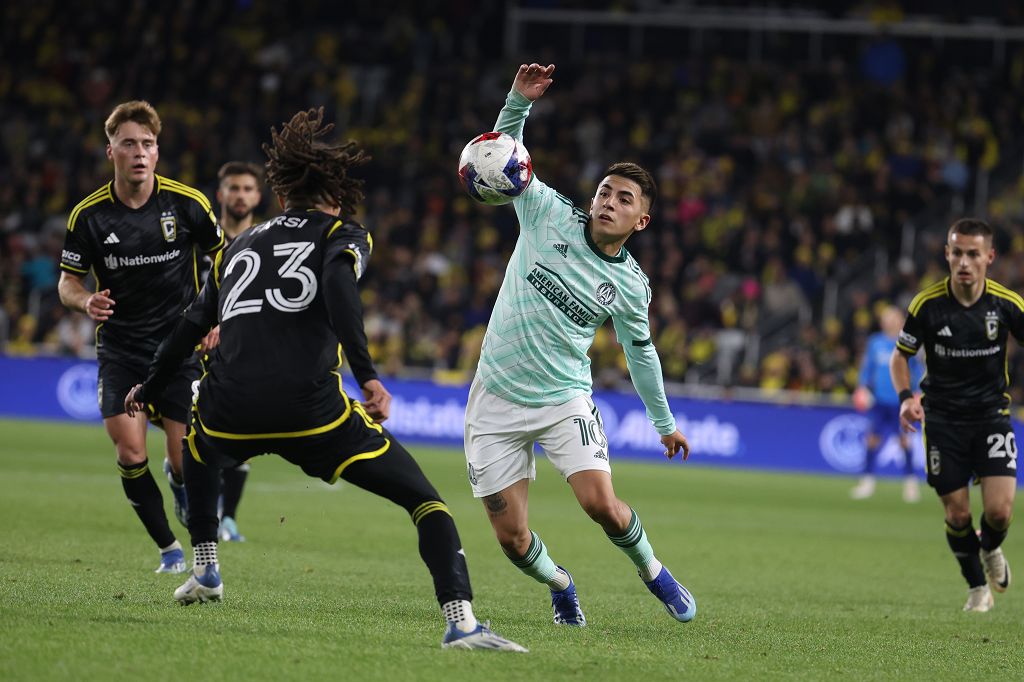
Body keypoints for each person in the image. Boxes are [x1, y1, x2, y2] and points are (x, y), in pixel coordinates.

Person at [125, 108, 526, 652]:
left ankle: (205, 568)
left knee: (197, 449)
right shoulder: (342, 233)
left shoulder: (239, 247)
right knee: (426, 503)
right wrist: (368, 377)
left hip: (229, 410)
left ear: (282, 192)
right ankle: (461, 623)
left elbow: (190, 325)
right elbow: (338, 284)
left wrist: (148, 389)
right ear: (333, 194)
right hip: (311, 412)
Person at [464, 64, 694, 627]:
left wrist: (663, 423)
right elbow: (503, 155)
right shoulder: (544, 211)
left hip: (563, 398)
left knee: (601, 505)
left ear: (641, 220)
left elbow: (641, 355)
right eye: (604, 191)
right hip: (494, 396)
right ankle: (561, 584)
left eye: (623, 198)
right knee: (513, 538)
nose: (608, 202)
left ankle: (654, 571)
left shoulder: (631, 285)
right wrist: (519, 98)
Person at [58, 101, 224, 574]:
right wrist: (83, 300)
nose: (139, 152)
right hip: (121, 349)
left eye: (147, 144)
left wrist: (217, 318)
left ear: (157, 151)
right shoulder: (88, 217)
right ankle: (170, 550)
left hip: (180, 346)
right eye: (128, 143)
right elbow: (66, 281)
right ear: (110, 151)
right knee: (130, 453)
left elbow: (228, 261)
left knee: (182, 455)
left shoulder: (188, 203)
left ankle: (180, 488)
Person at [892, 218, 1018, 612]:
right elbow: (901, 357)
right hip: (943, 420)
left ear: (989, 257)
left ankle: (991, 549)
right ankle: (977, 587)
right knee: (958, 513)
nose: (964, 261)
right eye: (957, 252)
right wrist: (905, 397)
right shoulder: (927, 305)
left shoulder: (1007, 304)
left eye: (973, 254)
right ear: (947, 254)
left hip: (991, 416)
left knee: (999, 511)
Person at [211, 161, 265, 543]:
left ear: (258, 196)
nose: (241, 195)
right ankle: (202, 508)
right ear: (221, 194)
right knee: (200, 438)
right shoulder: (205, 239)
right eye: (234, 188)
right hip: (201, 352)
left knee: (243, 439)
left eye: (248, 188)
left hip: (248, 353)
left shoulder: (267, 241)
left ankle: (227, 518)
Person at [850, 305, 923, 502]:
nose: (890, 322)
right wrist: (862, 387)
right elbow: (867, 368)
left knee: (905, 442)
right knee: (872, 439)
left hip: (902, 400)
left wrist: (917, 391)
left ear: (901, 321)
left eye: (894, 318)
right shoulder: (875, 342)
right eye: (887, 319)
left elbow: (918, 369)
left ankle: (910, 484)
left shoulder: (910, 343)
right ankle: (866, 482)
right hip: (880, 401)